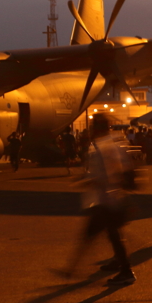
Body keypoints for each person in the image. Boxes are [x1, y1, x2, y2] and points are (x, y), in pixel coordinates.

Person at [56, 114, 136, 286]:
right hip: (111, 198)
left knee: (96, 235)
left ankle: (125, 271)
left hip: (107, 199)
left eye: (93, 127)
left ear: (98, 128)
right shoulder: (113, 141)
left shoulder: (104, 146)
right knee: (108, 234)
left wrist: (85, 181)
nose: (91, 130)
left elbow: (108, 173)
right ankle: (72, 269)